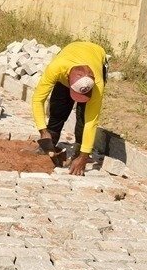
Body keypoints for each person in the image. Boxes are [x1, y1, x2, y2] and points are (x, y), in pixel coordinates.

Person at [31, 41, 108, 176]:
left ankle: (79, 152)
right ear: (67, 78)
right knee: (58, 106)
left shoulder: (97, 85)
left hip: (96, 55)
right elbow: (38, 99)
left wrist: (84, 156)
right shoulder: (57, 68)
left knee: (83, 115)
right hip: (70, 54)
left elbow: (91, 121)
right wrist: (43, 130)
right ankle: (50, 142)